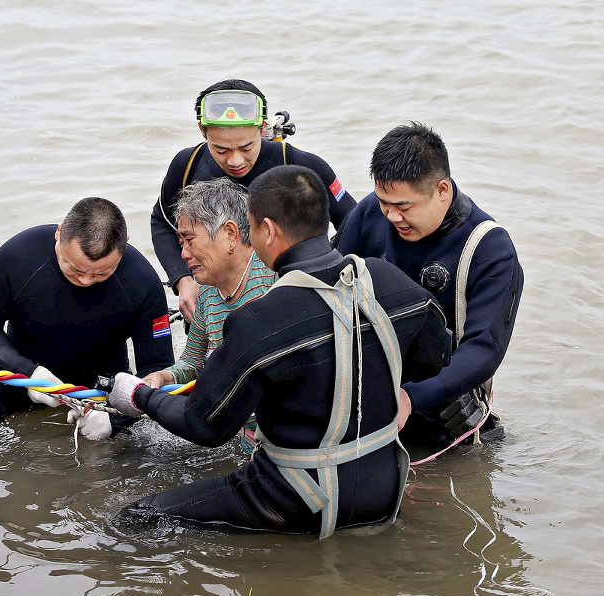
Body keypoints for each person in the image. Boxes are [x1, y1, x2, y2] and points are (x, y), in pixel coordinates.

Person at [106, 165, 450, 537]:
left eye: (252, 228)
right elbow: (438, 358)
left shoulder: (259, 317)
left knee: (140, 516)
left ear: (266, 231)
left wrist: (139, 395)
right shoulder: (390, 280)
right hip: (385, 488)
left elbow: (202, 425)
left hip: (300, 498)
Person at [335, 122, 523, 450]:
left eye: (404, 207)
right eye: (384, 202)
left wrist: (412, 397)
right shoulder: (370, 212)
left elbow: (484, 349)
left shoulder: (490, 249)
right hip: (369, 397)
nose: (391, 217)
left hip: (444, 414)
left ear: (442, 191)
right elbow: (328, 284)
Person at [151, 78, 357, 324]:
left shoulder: (303, 166)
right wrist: (183, 280)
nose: (235, 160)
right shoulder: (187, 165)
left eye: (246, 147)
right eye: (221, 150)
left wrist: (325, 279)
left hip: (292, 305)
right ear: (202, 131)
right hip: (214, 309)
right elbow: (162, 222)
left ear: (263, 128)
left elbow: (354, 221)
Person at [0, 197, 174, 423]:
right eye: (74, 268)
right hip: (23, 378)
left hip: (100, 391)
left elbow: (158, 369)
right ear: (59, 233)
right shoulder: (19, 255)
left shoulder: (143, 282)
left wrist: (114, 421)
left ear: (124, 246)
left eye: (102, 273)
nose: (87, 280)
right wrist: (28, 374)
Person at [142, 177, 276, 453]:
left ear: (230, 234)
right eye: (181, 243)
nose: (183, 254)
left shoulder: (275, 275)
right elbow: (192, 363)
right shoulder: (207, 295)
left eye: (189, 240)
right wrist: (162, 378)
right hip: (243, 438)